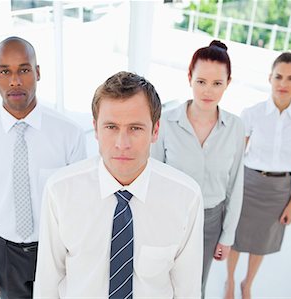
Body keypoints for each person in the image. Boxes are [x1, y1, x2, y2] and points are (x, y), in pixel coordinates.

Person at [35, 71, 204, 298]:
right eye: (111, 127)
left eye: (135, 128)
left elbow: (187, 290)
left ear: (155, 131)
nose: (122, 144)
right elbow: (48, 282)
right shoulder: (59, 191)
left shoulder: (186, 197)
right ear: (95, 129)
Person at [0, 36, 86, 298]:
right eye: (5, 71)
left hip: (54, 251)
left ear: (38, 72)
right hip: (4, 253)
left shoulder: (70, 134)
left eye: (24, 69)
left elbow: (79, 206)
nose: (15, 80)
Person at [151, 40, 245, 298]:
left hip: (210, 222)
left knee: (195, 287)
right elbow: (152, 176)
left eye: (217, 83)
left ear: (228, 83)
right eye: (201, 81)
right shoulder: (166, 122)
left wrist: (227, 236)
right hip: (168, 217)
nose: (208, 91)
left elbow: (236, 183)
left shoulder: (236, 127)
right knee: (158, 282)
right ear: (189, 78)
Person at [225, 52, 291, 299]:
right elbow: (237, 156)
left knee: (262, 241)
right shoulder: (252, 113)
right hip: (248, 184)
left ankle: (247, 284)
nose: (283, 84)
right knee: (236, 238)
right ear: (270, 78)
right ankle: (230, 281)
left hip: (279, 190)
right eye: (278, 77)